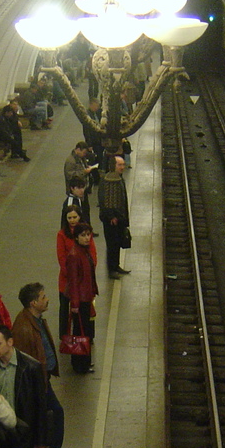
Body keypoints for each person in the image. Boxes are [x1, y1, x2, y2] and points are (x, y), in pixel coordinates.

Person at [12, 282, 71, 448]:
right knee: (44, 421)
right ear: (33, 303)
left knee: (53, 416)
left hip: (43, 380)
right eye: (43, 297)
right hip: (36, 385)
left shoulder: (35, 319)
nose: (47, 299)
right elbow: (25, 363)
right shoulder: (23, 328)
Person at [62, 223, 99, 374]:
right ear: (76, 237)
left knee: (84, 332)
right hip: (81, 300)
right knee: (80, 333)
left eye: (88, 234)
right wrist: (75, 303)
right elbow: (74, 282)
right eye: (83, 235)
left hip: (86, 297)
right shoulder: (74, 255)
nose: (86, 238)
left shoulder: (83, 251)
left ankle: (83, 362)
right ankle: (80, 364)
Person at [56, 207, 96, 339]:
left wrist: (87, 271)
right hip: (67, 279)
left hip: (83, 282)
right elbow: (61, 257)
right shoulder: (62, 235)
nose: (72, 220)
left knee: (86, 315)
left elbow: (93, 255)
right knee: (65, 309)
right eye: (69, 218)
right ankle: (65, 336)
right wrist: (74, 273)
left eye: (75, 217)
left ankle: (87, 338)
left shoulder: (85, 231)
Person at [98, 154, 132, 278]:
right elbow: (105, 200)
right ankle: (111, 269)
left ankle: (116, 265)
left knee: (117, 243)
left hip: (118, 218)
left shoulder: (117, 177)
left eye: (123, 164)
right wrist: (112, 216)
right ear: (113, 166)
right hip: (112, 220)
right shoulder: (109, 179)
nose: (122, 167)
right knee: (112, 244)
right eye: (120, 164)